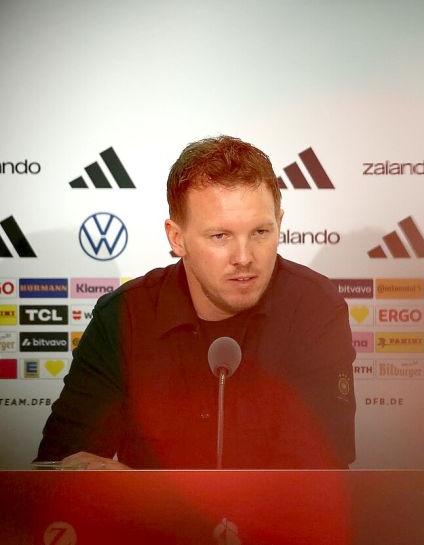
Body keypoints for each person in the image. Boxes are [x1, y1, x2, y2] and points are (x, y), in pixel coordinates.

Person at [36, 136, 356, 469]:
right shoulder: (124, 316)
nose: (244, 257)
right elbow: (60, 464)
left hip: (276, 522)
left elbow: (321, 472)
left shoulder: (314, 309)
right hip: (147, 522)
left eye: (261, 232)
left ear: (280, 223)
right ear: (177, 238)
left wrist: (147, 493)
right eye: (220, 236)